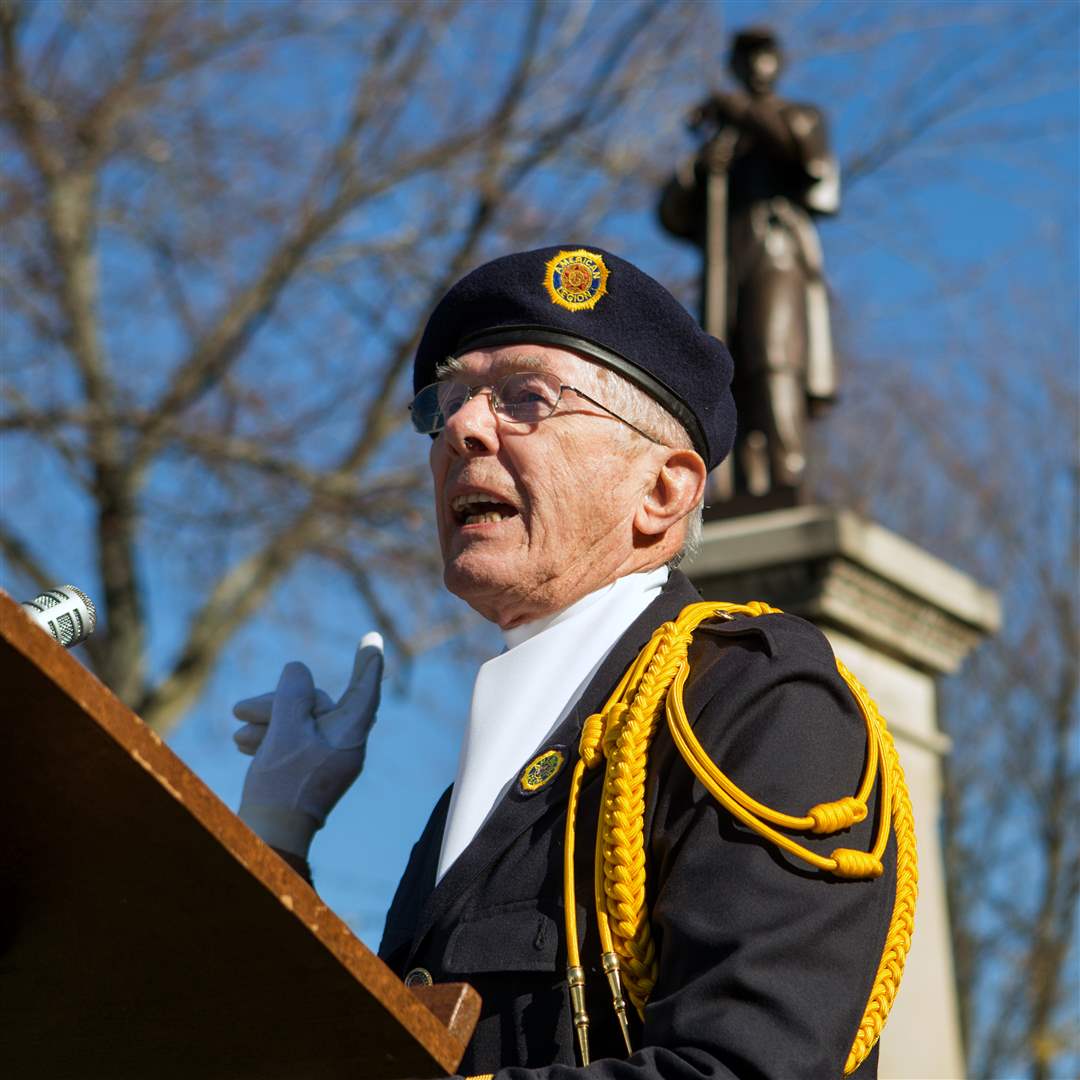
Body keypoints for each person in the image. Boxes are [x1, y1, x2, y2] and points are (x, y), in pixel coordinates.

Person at [233, 245, 897, 1079]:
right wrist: (274, 846)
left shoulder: (752, 701)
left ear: (662, 491)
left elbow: (752, 1069)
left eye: (525, 399)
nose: (464, 429)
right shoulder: (515, 769)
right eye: (449, 405)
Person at [659, 27, 840, 498]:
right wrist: (702, 169)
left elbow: (811, 165)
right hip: (727, 258)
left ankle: (787, 473)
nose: (758, 66)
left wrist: (736, 111)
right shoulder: (723, 141)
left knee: (773, 356)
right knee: (730, 366)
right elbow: (672, 214)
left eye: (766, 55)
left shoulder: (796, 116)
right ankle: (744, 483)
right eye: (748, 57)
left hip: (776, 251)